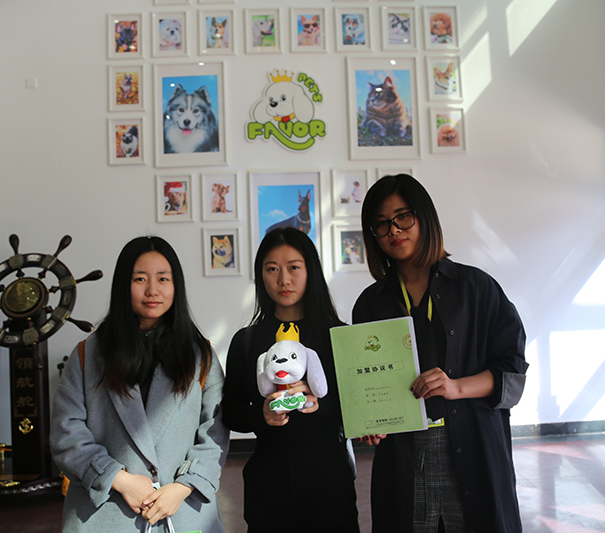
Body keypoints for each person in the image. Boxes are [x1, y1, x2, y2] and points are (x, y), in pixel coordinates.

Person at [352, 174, 528, 533]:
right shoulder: (371, 303)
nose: (394, 230)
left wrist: (456, 387)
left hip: (473, 445)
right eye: (381, 223)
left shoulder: (476, 288)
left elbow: (512, 370)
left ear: (425, 217)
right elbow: (364, 381)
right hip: (403, 454)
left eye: (403, 217)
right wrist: (370, 423)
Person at [51, 236, 229, 532]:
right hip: (106, 512)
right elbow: (65, 432)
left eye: (163, 279)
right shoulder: (88, 354)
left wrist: (184, 486)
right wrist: (117, 478)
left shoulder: (201, 355)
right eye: (140, 279)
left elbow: (215, 432)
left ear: (176, 285)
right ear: (124, 285)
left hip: (181, 509)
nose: (152, 290)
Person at [222, 227, 359, 533]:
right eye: (272, 269)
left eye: (294, 267)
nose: (283, 280)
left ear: (311, 271)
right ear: (260, 276)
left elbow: (357, 406)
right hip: (269, 485)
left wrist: (319, 404)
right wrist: (262, 414)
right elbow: (230, 412)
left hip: (329, 482)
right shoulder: (246, 341)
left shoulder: (340, 336)